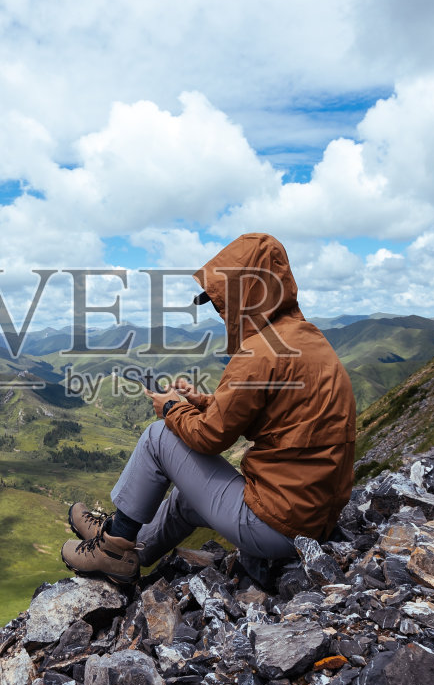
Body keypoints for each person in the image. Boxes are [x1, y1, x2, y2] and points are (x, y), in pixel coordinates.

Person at [62, 232, 357, 585]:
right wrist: (200, 401)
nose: (221, 313)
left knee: (159, 437)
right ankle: (128, 548)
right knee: (187, 500)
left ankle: (111, 548)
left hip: (276, 525)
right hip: (309, 520)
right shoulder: (307, 339)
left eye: (224, 302)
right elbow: (269, 413)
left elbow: (211, 437)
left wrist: (171, 406)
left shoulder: (259, 351)